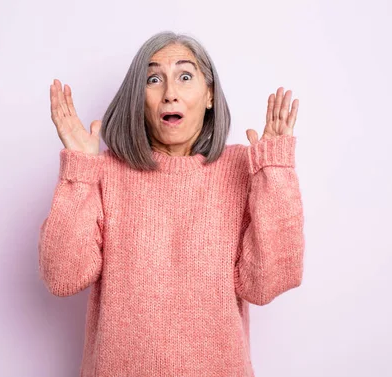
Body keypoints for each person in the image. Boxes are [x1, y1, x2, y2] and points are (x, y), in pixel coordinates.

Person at [38, 30, 305, 377]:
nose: (169, 94)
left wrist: (274, 171)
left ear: (209, 94)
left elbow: (267, 283)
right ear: (139, 98)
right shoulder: (102, 171)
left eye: (184, 76)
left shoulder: (242, 168)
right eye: (153, 79)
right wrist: (79, 171)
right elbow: (62, 278)